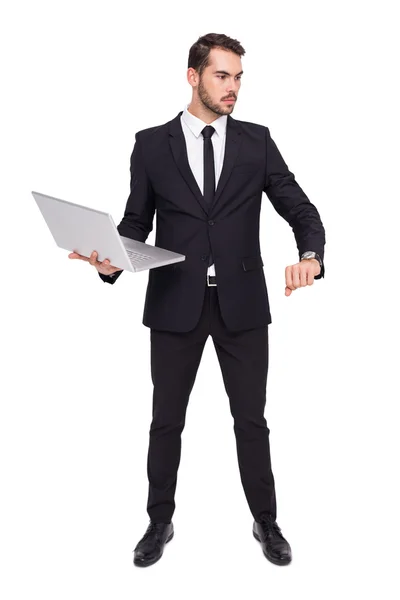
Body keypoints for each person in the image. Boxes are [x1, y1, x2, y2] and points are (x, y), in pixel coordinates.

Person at [69, 32, 325, 567]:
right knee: (166, 420)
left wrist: (311, 255)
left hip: (243, 305)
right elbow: (136, 221)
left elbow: (300, 208)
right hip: (174, 303)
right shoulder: (150, 143)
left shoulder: (256, 141)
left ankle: (267, 521)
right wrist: (109, 259)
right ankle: (158, 521)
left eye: (237, 78)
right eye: (221, 76)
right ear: (193, 76)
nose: (233, 88)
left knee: (251, 420)